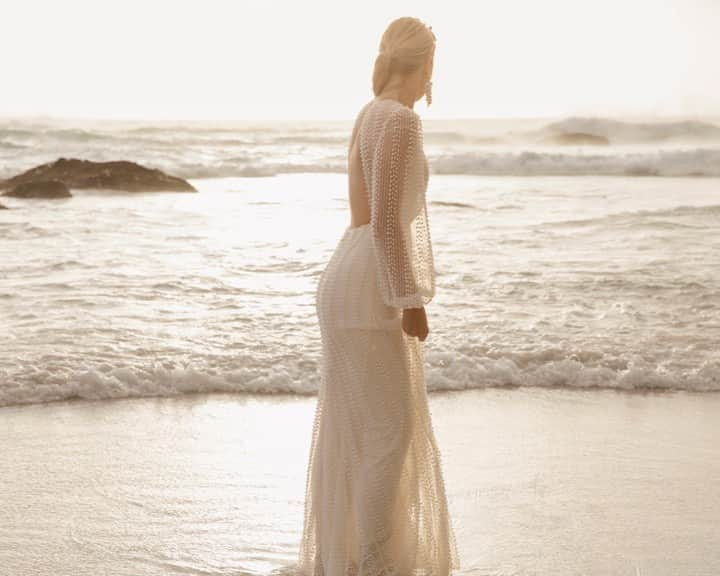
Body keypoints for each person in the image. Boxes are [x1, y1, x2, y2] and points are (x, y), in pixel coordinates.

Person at [298, 16, 460, 576]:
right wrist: (409, 299)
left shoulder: (370, 112)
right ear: (427, 64)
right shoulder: (400, 120)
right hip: (369, 285)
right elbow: (389, 224)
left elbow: (378, 218)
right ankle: (373, 567)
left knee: (360, 432)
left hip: (347, 274)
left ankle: (354, 558)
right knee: (391, 433)